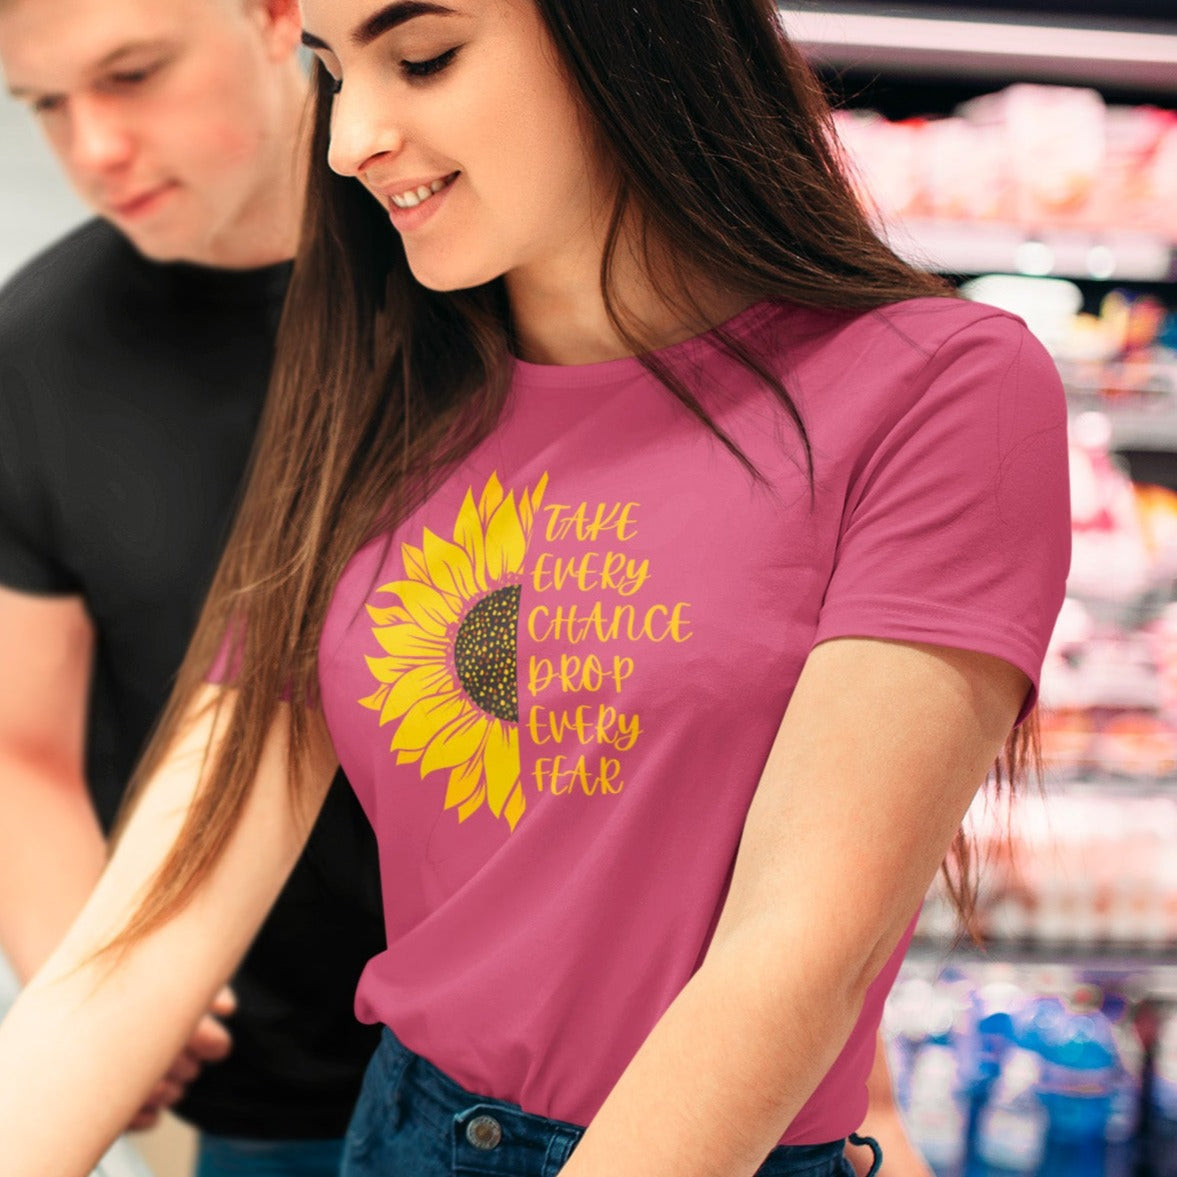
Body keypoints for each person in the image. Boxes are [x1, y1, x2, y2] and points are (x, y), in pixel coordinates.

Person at [0, 1, 1072, 1174]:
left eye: (421, 58)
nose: (349, 136)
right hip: (400, 1127)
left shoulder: (936, 389)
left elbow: (797, 951)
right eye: (331, 71)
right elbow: (162, 908)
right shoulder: (378, 399)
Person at [0, 0, 385, 1173]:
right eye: (47, 106)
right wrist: (90, 969)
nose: (92, 149)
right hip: (258, 1097)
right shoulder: (38, 353)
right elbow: (22, 744)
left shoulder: (455, 270)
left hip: (558, 1061)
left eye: (132, 74)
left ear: (279, 15)